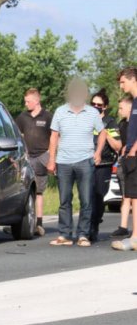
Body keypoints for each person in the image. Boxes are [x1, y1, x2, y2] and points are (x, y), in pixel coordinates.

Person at [47, 79, 108, 247]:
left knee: (86, 200)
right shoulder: (60, 111)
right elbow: (53, 137)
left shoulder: (92, 113)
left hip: (85, 161)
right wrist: (52, 160)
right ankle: (65, 234)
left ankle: (83, 235)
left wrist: (98, 153)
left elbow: (102, 133)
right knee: (64, 200)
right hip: (64, 162)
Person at [15, 88, 54, 236]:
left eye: (28, 101)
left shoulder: (48, 117)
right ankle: (23, 222)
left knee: (38, 191)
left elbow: (55, 137)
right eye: (25, 101)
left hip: (42, 156)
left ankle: (39, 223)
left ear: (37, 101)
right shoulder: (22, 117)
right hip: (27, 157)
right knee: (24, 189)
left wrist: (51, 156)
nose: (26, 104)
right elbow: (17, 135)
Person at [88, 89, 123, 242]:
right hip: (86, 164)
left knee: (98, 197)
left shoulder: (110, 122)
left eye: (99, 104)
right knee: (87, 197)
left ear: (105, 107)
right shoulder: (86, 120)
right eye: (93, 104)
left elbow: (117, 146)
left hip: (104, 164)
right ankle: (86, 226)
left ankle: (95, 223)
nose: (96, 106)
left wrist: (104, 133)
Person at [112, 68, 137, 251]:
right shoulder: (135, 102)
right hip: (130, 154)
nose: (121, 86)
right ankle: (135, 236)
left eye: (123, 82)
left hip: (134, 154)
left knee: (135, 196)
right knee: (133, 197)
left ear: (133, 79)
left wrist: (134, 148)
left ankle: (135, 237)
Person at [111, 94, 133, 238]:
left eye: (121, 108)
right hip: (123, 162)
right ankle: (123, 226)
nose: (119, 111)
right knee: (125, 195)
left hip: (133, 160)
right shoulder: (121, 124)